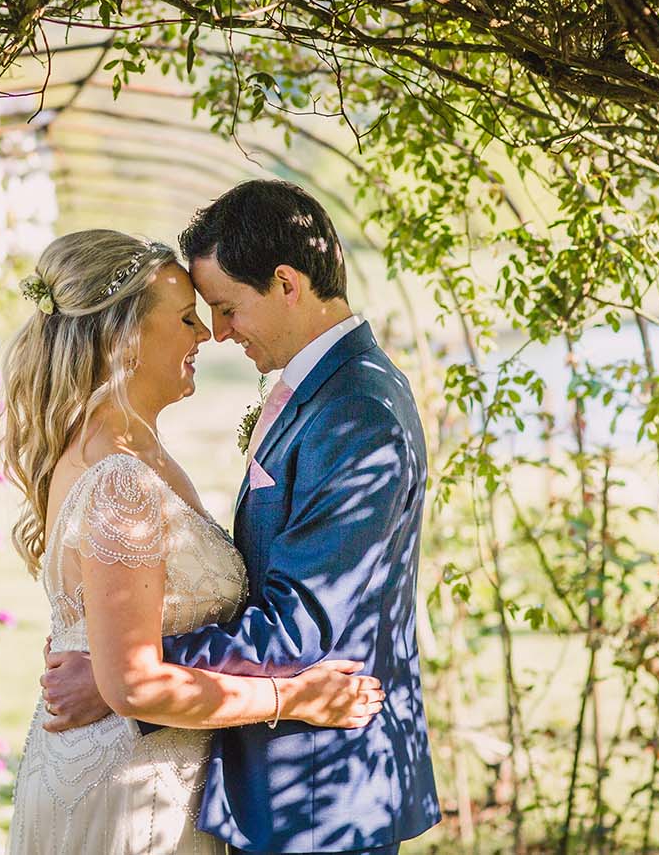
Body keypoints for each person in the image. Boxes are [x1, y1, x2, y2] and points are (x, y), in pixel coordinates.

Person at [39, 182, 441, 854]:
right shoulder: (326, 388)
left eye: (225, 308)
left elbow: (302, 624)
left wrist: (122, 681)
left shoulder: (355, 412)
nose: (218, 333)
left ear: (286, 281)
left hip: (318, 789)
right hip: (270, 778)